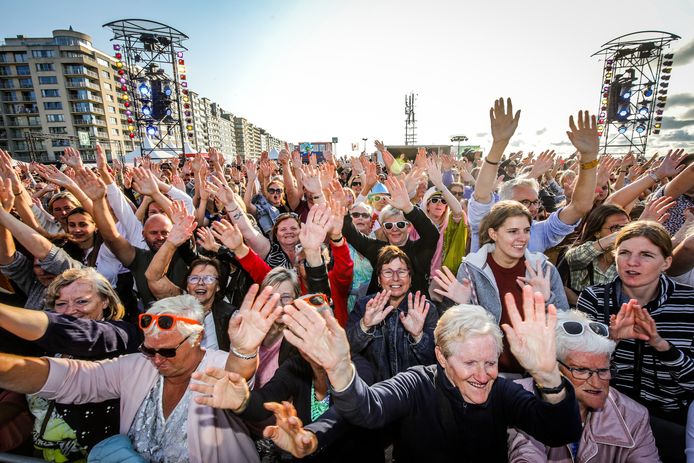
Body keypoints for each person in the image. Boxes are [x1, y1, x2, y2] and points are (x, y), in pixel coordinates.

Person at [268, 285, 581, 462]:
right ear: (441, 357)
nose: (483, 375)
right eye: (470, 363)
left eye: (490, 363)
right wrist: (338, 368)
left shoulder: (500, 390)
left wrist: (548, 374)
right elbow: (367, 409)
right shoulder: (416, 383)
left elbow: (559, 431)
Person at [0, 287, 283, 462]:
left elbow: (237, 378)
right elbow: (74, 379)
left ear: (197, 339)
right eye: (150, 350)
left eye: (168, 352)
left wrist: (244, 350)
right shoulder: (138, 365)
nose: (157, 359)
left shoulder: (219, 364)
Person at [578, 221, 694, 462]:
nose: (632, 262)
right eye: (625, 253)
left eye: (646, 255)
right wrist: (611, 340)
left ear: (666, 262)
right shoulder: (595, 298)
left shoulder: (689, 302)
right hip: (607, 417)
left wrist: (660, 344)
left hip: (671, 419)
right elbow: (578, 372)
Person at [0, 267, 139, 461]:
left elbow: (78, 333)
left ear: (105, 301)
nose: (70, 310)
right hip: (42, 454)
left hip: (94, 455)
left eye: (82, 301)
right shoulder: (45, 347)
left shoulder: (122, 334)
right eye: (61, 304)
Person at [508, 309, 660, 462]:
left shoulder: (633, 416)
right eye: (581, 370)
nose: (596, 382)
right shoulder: (518, 400)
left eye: (603, 370)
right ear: (553, 369)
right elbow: (526, 455)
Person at [438, 200, 568, 374]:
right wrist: (463, 306)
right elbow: (457, 333)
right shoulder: (472, 269)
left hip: (538, 371)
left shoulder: (543, 269)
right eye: (513, 231)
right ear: (493, 233)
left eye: (527, 231)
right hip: (489, 373)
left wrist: (545, 300)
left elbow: (566, 328)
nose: (522, 238)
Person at [469, 102, 598, 253]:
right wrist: (499, 143)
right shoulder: (486, 223)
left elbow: (580, 207)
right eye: (525, 202)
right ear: (504, 203)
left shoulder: (540, 231)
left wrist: (589, 157)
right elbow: (481, 193)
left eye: (535, 202)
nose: (533, 208)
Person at [347, 246, 438, 381]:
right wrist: (364, 326)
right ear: (378, 279)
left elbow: (437, 361)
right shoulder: (365, 306)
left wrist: (418, 337)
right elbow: (346, 350)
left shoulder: (425, 309)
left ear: (410, 278)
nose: (395, 278)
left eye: (401, 272)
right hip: (375, 394)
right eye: (388, 272)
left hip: (415, 395)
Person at [342, 175, 439, 294]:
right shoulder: (377, 250)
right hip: (380, 309)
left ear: (409, 227)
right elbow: (351, 233)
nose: (395, 229)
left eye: (400, 225)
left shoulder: (420, 250)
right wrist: (341, 208)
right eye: (388, 226)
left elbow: (432, 234)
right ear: (383, 229)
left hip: (416, 309)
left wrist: (408, 207)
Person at [562, 204, 630, 300]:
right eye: (615, 228)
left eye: (627, 227)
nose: (623, 233)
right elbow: (575, 257)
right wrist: (616, 237)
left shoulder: (631, 259)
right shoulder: (581, 252)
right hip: (581, 314)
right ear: (597, 232)